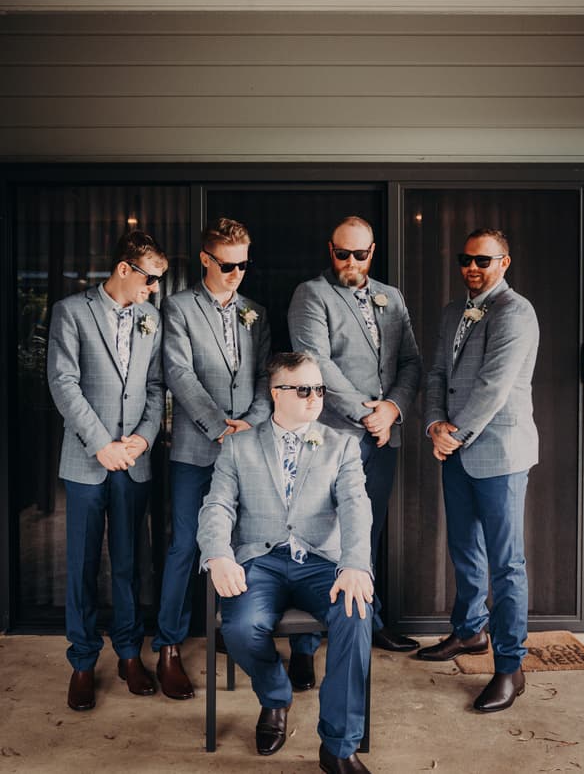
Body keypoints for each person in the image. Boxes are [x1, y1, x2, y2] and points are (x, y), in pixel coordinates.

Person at [199, 351, 373, 774]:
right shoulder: (239, 446)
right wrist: (219, 554)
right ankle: (275, 697)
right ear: (276, 394)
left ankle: (338, 746)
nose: (314, 397)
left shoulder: (343, 444)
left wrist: (355, 564)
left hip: (321, 562)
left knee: (355, 612)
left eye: (318, 388)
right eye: (302, 389)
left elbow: (355, 506)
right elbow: (217, 506)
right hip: (262, 560)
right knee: (239, 628)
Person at [287, 215, 422, 676]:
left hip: (384, 435)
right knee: (319, 533)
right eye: (342, 253)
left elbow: (410, 362)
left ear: (372, 251)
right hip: (332, 436)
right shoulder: (312, 294)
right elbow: (316, 363)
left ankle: (369, 617)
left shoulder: (392, 297)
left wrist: (391, 410)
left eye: (359, 254)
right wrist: (368, 414)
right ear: (331, 250)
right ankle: (304, 644)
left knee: (368, 530)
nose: (350, 261)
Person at [417, 228, 539, 713]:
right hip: (455, 449)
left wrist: (453, 432)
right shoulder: (453, 311)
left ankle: (510, 666)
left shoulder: (516, 311)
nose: (473, 267)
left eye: (483, 260)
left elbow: (494, 385)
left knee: (506, 564)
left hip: (500, 454)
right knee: (464, 546)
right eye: (467, 259)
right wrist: (431, 424)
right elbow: (436, 375)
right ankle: (470, 634)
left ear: (504, 263)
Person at [47, 229, 168, 712]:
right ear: (125, 269)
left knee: (129, 562)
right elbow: (63, 383)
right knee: (80, 565)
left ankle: (128, 653)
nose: (155, 287)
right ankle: (81, 660)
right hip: (86, 459)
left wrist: (141, 439)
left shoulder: (152, 319)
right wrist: (101, 445)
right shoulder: (71, 312)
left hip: (134, 461)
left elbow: (157, 387)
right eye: (151, 278)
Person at [152, 217, 271, 699]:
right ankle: (169, 645)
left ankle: (235, 632)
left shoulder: (256, 312)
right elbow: (178, 373)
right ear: (205, 259)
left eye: (244, 264)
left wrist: (253, 421)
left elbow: (266, 375)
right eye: (227, 265)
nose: (237, 273)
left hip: (246, 447)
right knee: (185, 546)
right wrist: (218, 426)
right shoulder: (178, 309)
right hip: (194, 448)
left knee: (244, 542)